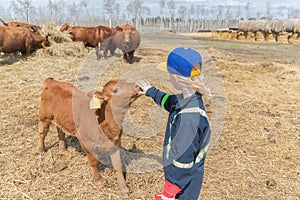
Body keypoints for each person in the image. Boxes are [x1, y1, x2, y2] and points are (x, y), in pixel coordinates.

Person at [136, 47, 211, 200]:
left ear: (176, 78)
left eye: (168, 74)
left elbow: (183, 159)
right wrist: (151, 91)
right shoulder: (189, 98)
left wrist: (169, 191)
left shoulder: (189, 119)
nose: (168, 77)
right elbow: (170, 102)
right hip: (185, 179)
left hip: (183, 185)